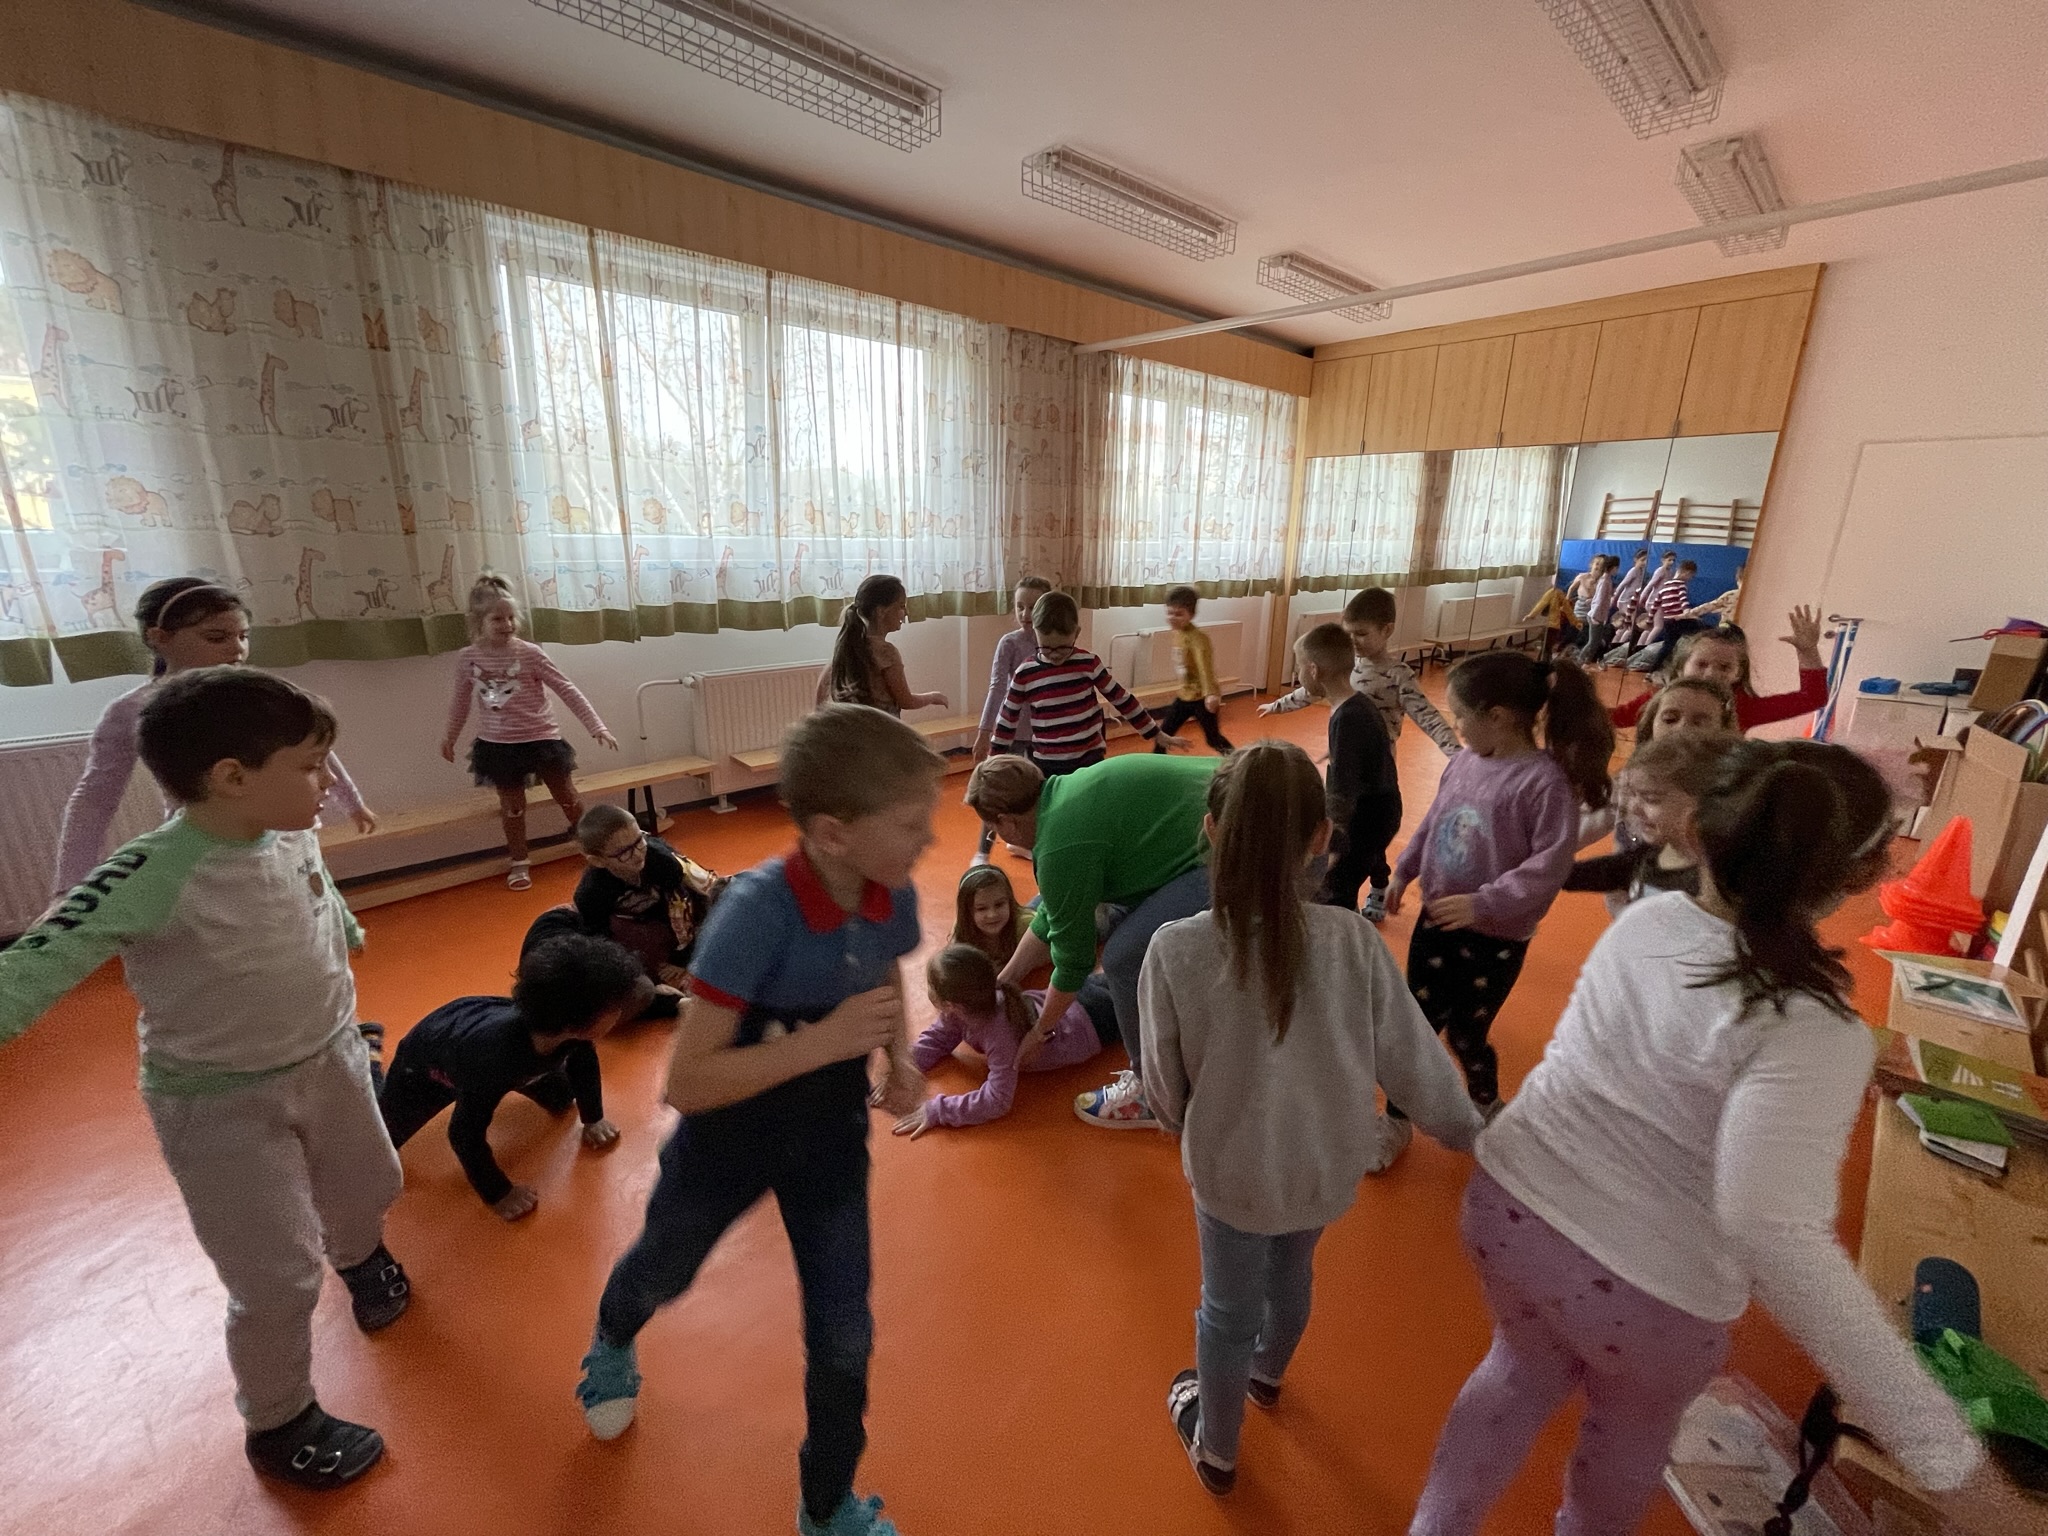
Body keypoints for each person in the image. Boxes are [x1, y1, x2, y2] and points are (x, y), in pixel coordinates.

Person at [1408, 741, 1992, 1536]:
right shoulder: (1814, 1029)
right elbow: (1772, 1232)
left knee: (1515, 1370)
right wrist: (1944, 1453)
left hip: (1510, 1216)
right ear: (1864, 876)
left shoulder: (1647, 922)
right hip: (1650, 1293)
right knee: (1629, 1433)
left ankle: (1436, 1525)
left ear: (1696, 832)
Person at [0, 668, 408, 1491]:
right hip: (219, 1102)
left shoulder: (289, 829)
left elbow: (316, 889)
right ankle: (280, 1421)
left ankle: (361, 1256)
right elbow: (34, 962)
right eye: (311, 767)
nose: (326, 784)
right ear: (231, 777)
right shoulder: (149, 871)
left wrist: (347, 924)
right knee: (274, 1278)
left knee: (371, 1182)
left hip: (330, 1056)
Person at [575, 703, 939, 1536]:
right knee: (664, 1270)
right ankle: (612, 1336)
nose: (928, 839)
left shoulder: (890, 893)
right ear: (834, 834)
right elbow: (688, 1082)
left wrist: (900, 1057)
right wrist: (827, 1041)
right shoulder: (755, 913)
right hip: (727, 1143)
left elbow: (883, 971)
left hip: (830, 1142)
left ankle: (826, 1504)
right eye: (910, 823)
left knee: (845, 1335)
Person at [1139, 741, 1484, 1494]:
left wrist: (1179, 1124)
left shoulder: (1176, 950)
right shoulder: (1354, 941)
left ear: (1211, 829)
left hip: (1231, 1170)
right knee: (1293, 1272)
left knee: (1225, 1308)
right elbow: (1415, 1062)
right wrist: (1475, 1137)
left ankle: (1217, 1448)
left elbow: (1163, 1082)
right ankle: (1268, 1374)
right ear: (1323, 837)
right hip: (1326, 1161)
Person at [51, 576, 376, 898]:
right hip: (205, 850)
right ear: (159, 638)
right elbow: (95, 799)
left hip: (285, 837)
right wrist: (71, 882)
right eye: (216, 637)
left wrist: (352, 803)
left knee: (305, 911)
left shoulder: (259, 693)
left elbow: (314, 749)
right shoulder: (131, 709)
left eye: (243, 636)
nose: (237, 648)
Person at [1387, 653, 1613, 1113]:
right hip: (1438, 919)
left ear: (1497, 717)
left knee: (1467, 1033)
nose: (1456, 726)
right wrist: (1404, 870)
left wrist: (1483, 903)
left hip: (1496, 937)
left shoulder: (1545, 783)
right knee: (1417, 1023)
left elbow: (1549, 866)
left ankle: (1486, 1104)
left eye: (1460, 716)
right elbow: (1435, 820)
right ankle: (1396, 1115)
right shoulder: (1462, 762)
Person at [965, 750, 1217, 1130]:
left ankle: (1154, 1094)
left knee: (1124, 958)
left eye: (993, 830)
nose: (997, 837)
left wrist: (1040, 1031)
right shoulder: (1060, 796)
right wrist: (1007, 978)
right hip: (1236, 808)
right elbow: (1054, 913)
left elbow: (1074, 962)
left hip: (1243, 846)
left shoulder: (1060, 846)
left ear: (1007, 822)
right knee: (1113, 921)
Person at [380, 933, 666, 1220]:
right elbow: (464, 1134)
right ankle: (369, 1054)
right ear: (579, 1024)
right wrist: (499, 1193)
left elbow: (583, 1062)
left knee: (561, 1099)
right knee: (382, 1141)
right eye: (614, 1010)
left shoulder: (567, 1033)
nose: (620, 1015)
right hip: (426, 1066)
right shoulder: (494, 1061)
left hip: (480, 1027)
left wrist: (593, 1118)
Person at [1259, 586, 1458, 920]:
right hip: (1357, 760)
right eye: (1348, 633)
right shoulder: (1348, 677)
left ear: (1387, 630)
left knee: (1353, 859)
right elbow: (1310, 692)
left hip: (1374, 767)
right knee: (1364, 847)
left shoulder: (1395, 676)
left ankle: (1363, 900)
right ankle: (1356, 891)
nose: (1353, 642)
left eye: (1362, 634)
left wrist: (1457, 754)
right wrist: (1279, 705)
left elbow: (1427, 716)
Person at [440, 573, 617, 890]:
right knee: (512, 808)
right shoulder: (468, 658)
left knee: (567, 798)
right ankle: (519, 861)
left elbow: (567, 689)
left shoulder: (530, 653)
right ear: (479, 621)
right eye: (497, 619)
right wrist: (450, 737)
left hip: (541, 740)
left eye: (511, 618)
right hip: (498, 746)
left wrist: (596, 726)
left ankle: (594, 847)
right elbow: (460, 702)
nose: (507, 625)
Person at [892, 945, 1117, 1136]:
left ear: (950, 1004)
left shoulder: (999, 1035)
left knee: (1137, 996)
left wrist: (938, 1111)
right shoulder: (964, 1009)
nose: (928, 990)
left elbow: (997, 1100)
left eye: (930, 986)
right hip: (1079, 996)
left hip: (1096, 1022)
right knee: (1127, 977)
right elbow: (938, 1038)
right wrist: (903, 1066)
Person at [991, 590, 1174, 773]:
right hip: (1047, 762)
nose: (1055, 655)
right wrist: (994, 757)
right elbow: (1007, 718)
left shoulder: (1088, 664)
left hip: (1089, 758)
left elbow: (1121, 698)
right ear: (1035, 633)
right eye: (1046, 648)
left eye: (1062, 647)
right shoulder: (1025, 673)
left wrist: (1154, 732)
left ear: (1076, 633)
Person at [1293, 622, 1398, 915]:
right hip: (1381, 809)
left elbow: (1343, 790)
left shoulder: (1347, 717)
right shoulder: (1357, 704)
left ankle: (1346, 933)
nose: (1298, 673)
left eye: (1299, 666)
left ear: (1314, 670)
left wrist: (1333, 844)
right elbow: (1369, 751)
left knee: (1333, 893)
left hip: (1367, 819)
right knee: (1348, 877)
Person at [1564, 733, 1737, 909]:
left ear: (1707, 802)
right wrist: (1559, 873)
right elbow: (1613, 871)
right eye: (1633, 795)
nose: (1634, 808)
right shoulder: (1654, 852)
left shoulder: (1717, 882)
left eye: (1651, 799)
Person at [572, 803, 725, 985]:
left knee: (719, 903)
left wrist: (683, 957)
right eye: (624, 852)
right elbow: (599, 939)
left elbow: (688, 903)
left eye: (639, 840)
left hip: (680, 903)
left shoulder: (662, 861)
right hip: (639, 916)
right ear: (598, 861)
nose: (638, 855)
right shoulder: (591, 893)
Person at [1609, 607, 1828, 733]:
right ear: (1681, 667)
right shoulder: (1659, 699)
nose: (1711, 673)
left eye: (1724, 667)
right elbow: (1613, 718)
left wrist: (1808, 651)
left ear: (1738, 673)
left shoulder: (1744, 708)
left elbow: (1813, 698)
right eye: (1701, 664)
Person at [969, 574, 1053, 865]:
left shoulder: (1053, 644)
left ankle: (1031, 843)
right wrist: (984, 732)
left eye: (1033, 607)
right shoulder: (1010, 643)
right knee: (998, 793)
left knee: (1041, 793)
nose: (1025, 614)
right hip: (1013, 733)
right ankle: (983, 852)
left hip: (1045, 734)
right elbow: (997, 688)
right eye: (1020, 607)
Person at [817, 573, 948, 718]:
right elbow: (906, 701)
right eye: (901, 606)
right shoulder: (886, 652)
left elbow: (820, 702)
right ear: (881, 611)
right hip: (881, 728)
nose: (906, 613)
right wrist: (933, 697)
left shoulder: (847, 646)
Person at [1153, 585, 1234, 754]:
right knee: (1163, 735)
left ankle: (1238, 760)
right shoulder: (1178, 634)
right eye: (1170, 613)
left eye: (1179, 614)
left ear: (1191, 615)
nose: (1173, 618)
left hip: (1201, 698)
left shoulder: (1198, 638)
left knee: (1213, 739)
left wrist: (1211, 694)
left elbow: (1205, 667)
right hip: (1185, 695)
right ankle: (1155, 763)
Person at [951, 863, 1030, 973]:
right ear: (967, 912)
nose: (992, 915)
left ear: (1010, 901)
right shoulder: (962, 928)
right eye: (981, 908)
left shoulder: (1026, 926)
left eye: (999, 904)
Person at [1577, 556, 1618, 665]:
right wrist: (1594, 615)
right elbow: (1599, 599)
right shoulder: (1604, 581)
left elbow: (1599, 598)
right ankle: (1580, 660)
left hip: (1599, 615)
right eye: (1616, 568)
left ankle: (1586, 662)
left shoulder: (1606, 579)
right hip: (1596, 616)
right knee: (1592, 642)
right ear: (1613, 567)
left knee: (1596, 642)